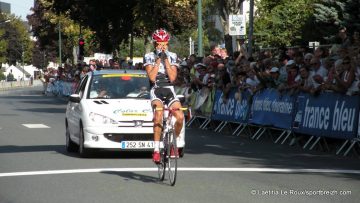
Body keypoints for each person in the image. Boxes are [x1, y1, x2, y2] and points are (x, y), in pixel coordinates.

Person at [144, 28, 184, 163]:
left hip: (169, 89)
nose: (162, 46)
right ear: (155, 44)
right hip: (156, 89)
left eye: (165, 44)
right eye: (159, 44)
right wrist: (157, 60)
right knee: (159, 115)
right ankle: (156, 150)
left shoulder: (172, 55)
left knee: (180, 116)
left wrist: (165, 59)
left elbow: (172, 78)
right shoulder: (149, 56)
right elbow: (151, 77)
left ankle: (173, 145)